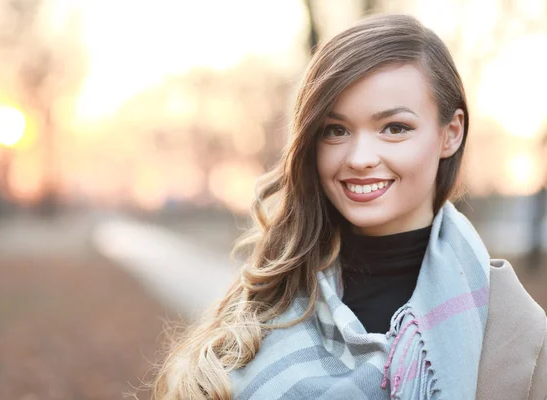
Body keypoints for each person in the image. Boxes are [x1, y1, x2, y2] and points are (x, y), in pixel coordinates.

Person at [151, 14, 547, 399]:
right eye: (336, 130)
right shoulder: (261, 308)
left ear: (451, 133)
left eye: (394, 128)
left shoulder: (515, 334)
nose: (359, 158)